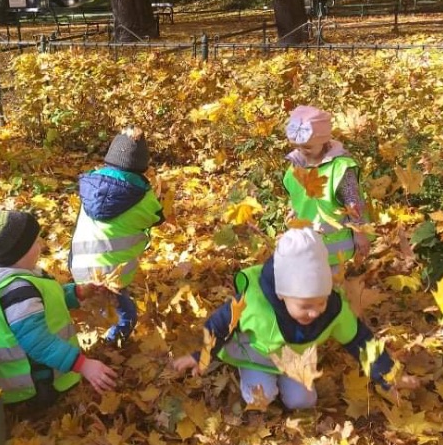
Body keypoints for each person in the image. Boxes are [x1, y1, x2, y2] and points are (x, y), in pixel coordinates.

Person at [173, 228, 417, 410]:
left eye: (320, 302)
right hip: (256, 356)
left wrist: (389, 374)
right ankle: (249, 372)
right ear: (282, 295)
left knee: (303, 402)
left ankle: (288, 382)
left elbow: (360, 339)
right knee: (261, 397)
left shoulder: (333, 310)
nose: (315, 312)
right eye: (305, 306)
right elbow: (219, 324)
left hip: (295, 360)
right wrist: (201, 356)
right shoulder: (253, 302)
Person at [0, 208, 117, 416]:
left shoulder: (23, 275)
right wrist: (83, 365)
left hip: (51, 369)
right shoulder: (16, 290)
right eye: (35, 242)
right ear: (19, 253)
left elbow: (45, 300)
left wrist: (78, 292)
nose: (41, 244)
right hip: (36, 384)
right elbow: (38, 341)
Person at [68, 126, 164, 343]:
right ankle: (109, 347)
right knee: (125, 317)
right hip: (110, 277)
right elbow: (158, 217)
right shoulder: (144, 197)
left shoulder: (91, 184)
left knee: (97, 306)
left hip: (79, 264)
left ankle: (92, 327)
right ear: (142, 165)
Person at [283, 105, 370, 274]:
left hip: (336, 247)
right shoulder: (296, 165)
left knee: (335, 286)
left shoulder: (340, 167)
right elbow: (297, 195)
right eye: (298, 147)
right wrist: (293, 209)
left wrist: (360, 234)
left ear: (323, 141)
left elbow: (353, 202)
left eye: (308, 147)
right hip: (306, 244)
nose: (302, 151)